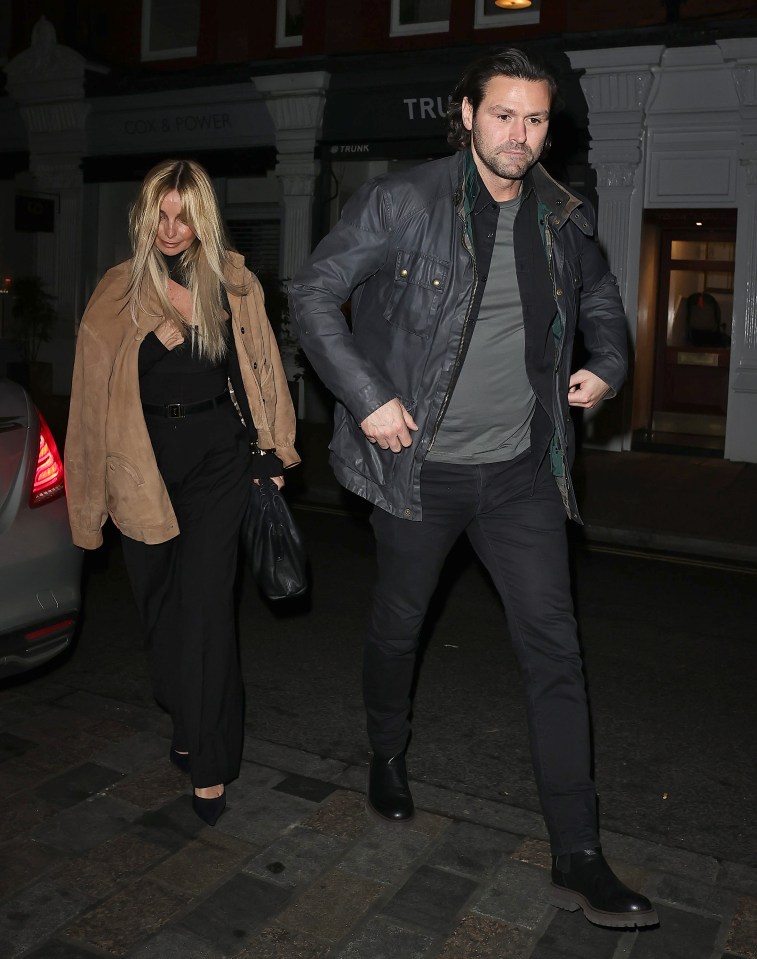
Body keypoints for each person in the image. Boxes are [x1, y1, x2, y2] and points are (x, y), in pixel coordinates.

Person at [290, 49, 658, 928]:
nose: (519, 136)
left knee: (555, 653)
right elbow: (310, 293)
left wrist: (606, 364)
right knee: (398, 624)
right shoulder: (401, 202)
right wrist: (368, 394)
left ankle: (578, 852)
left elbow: (603, 298)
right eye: (502, 116)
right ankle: (387, 750)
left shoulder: (562, 216)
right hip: (419, 470)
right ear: (465, 115)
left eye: (534, 120)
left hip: (524, 473)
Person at [66, 159, 298, 826]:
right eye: (160, 215)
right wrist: (160, 335)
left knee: (205, 612)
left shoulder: (232, 281)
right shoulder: (117, 291)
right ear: (144, 217)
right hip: (142, 466)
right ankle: (185, 710)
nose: (171, 229)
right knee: (161, 613)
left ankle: (210, 766)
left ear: (202, 216)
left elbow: (261, 370)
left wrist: (272, 450)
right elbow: (91, 400)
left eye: (184, 215)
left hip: (217, 462)